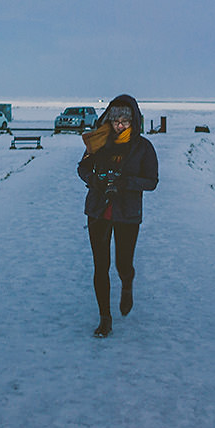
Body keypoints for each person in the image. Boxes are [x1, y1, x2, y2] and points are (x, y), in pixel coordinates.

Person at [77, 94, 159, 338]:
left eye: (124, 120)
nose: (119, 125)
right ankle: (105, 318)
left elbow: (152, 181)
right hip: (98, 211)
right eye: (115, 121)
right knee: (100, 266)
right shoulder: (99, 141)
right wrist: (95, 180)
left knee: (123, 263)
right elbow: (82, 168)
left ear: (134, 120)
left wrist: (125, 182)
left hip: (127, 214)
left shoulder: (143, 147)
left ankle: (127, 284)